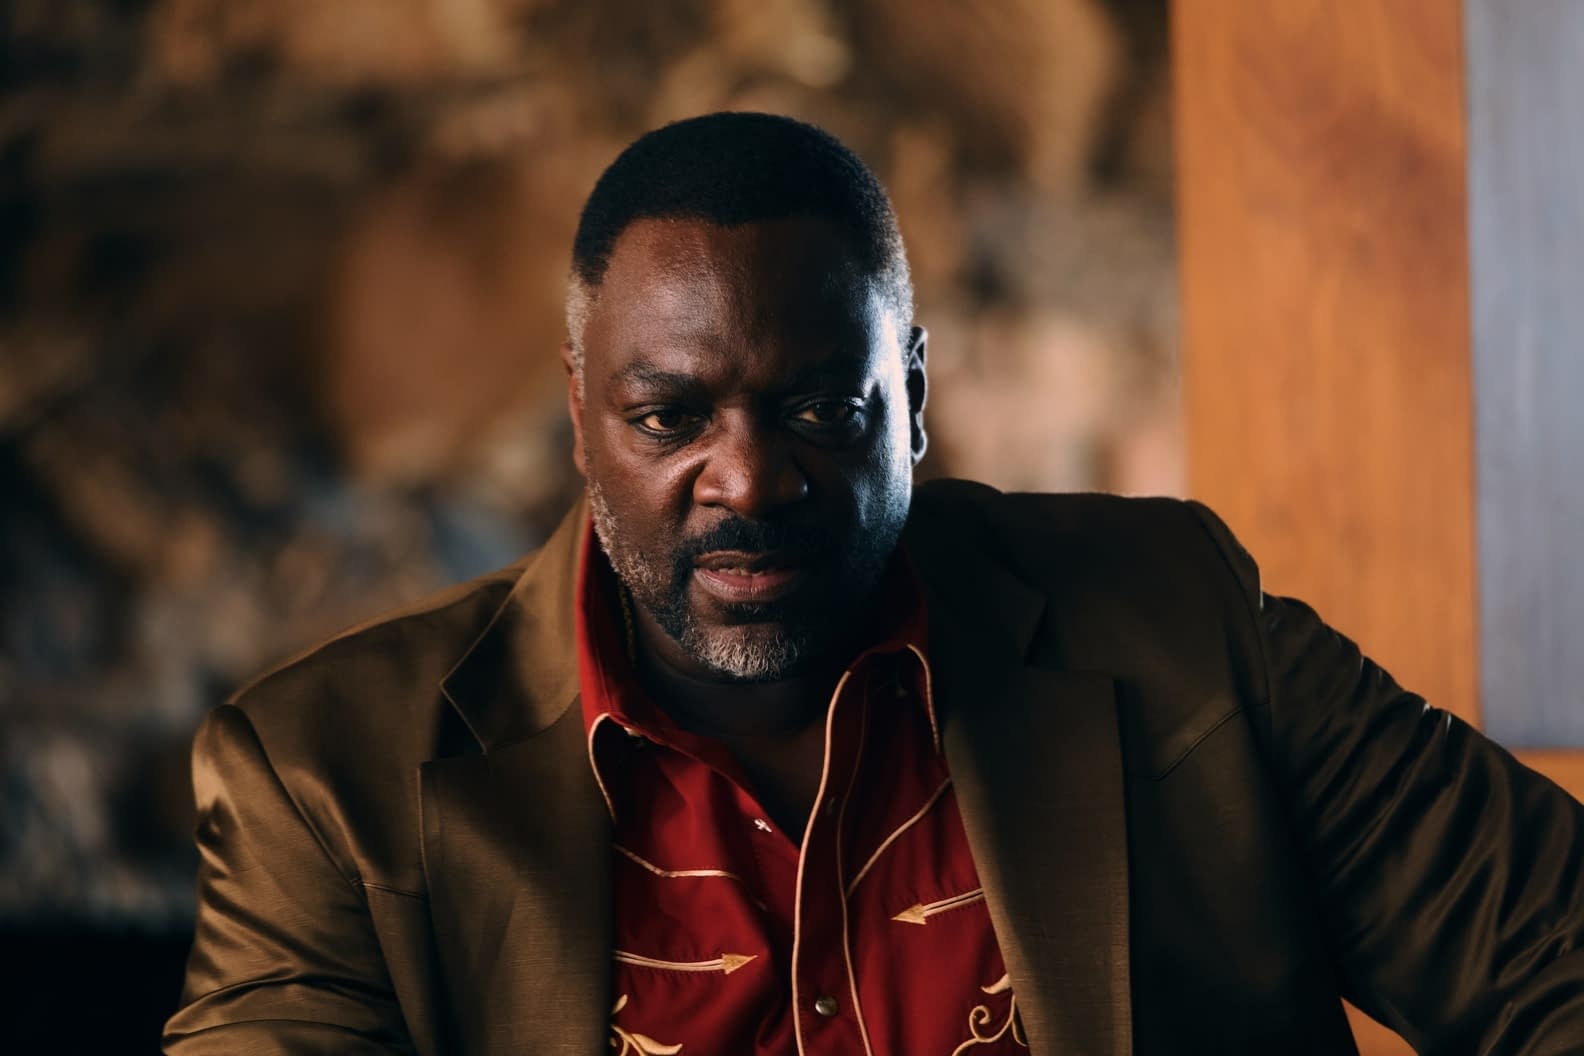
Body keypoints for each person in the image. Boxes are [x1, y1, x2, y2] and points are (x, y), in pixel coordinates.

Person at [163, 112, 1584, 1055]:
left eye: (819, 411)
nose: (748, 480)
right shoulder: (327, 784)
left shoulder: (1174, 627)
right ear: (583, 417)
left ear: (912, 397)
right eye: (669, 418)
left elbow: (1553, 957)